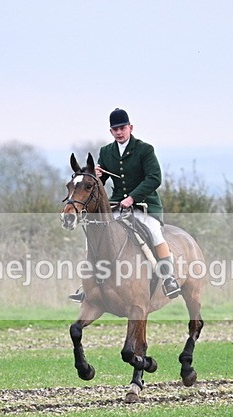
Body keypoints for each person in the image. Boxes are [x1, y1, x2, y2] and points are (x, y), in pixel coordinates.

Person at [69, 108, 181, 302]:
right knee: (95, 234)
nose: (119, 132)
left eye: (122, 128)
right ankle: (88, 285)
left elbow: (154, 178)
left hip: (144, 205)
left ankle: (168, 278)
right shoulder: (106, 152)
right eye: (115, 129)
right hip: (117, 206)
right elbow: (98, 188)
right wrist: (98, 178)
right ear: (111, 131)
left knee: (154, 232)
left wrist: (132, 198)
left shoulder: (145, 149)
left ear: (130, 127)